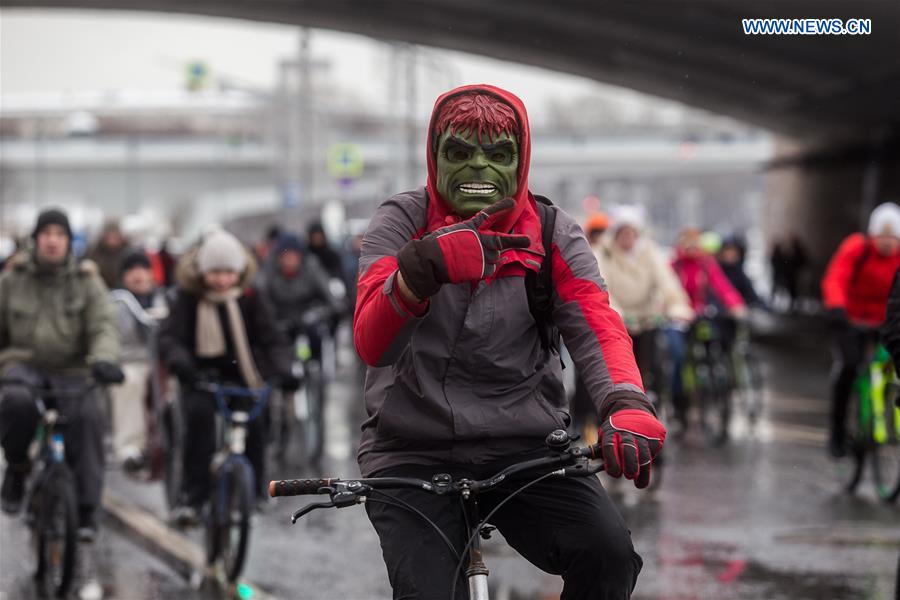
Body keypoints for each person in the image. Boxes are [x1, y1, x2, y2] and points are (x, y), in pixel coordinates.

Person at [354, 85, 664, 598]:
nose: (479, 168)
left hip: (527, 447)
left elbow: (597, 325)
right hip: (410, 449)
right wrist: (418, 276)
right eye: (459, 152)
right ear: (434, 158)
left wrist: (624, 401)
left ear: (521, 163)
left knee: (608, 557)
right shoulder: (402, 221)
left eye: (498, 155)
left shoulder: (552, 232)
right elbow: (373, 343)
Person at [0, 208, 124, 542]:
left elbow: (103, 326)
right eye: (47, 234)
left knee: (89, 419)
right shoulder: (13, 279)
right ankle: (17, 468)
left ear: (69, 241)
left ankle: (85, 510)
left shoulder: (87, 281)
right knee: (16, 402)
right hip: (24, 366)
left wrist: (104, 359)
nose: (53, 241)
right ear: (35, 239)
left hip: (74, 369)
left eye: (60, 235)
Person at [158, 229, 297, 524]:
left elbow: (271, 339)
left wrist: (284, 371)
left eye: (228, 273)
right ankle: (193, 498)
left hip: (244, 377)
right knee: (199, 424)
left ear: (239, 272)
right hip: (201, 377)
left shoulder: (251, 298)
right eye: (215, 273)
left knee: (256, 424)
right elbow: (171, 339)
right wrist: (184, 365)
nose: (222, 280)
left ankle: (256, 491)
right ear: (203, 272)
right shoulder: (188, 298)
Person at [821, 202, 900, 457]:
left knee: (891, 365)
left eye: (893, 237)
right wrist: (836, 307)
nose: (887, 242)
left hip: (885, 321)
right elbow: (836, 277)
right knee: (849, 366)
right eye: (882, 236)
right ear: (872, 234)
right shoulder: (857, 248)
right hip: (851, 319)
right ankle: (837, 432)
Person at [594, 204, 694, 398]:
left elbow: (666, 281)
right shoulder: (603, 254)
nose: (627, 237)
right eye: (623, 232)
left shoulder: (650, 252)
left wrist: (677, 305)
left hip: (647, 319)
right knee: (616, 373)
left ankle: (661, 399)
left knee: (655, 367)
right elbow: (601, 285)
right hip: (619, 323)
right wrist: (616, 312)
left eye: (631, 232)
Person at [109, 252, 169, 473]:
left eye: (142, 269)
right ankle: (130, 448)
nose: (138, 275)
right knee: (129, 383)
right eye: (131, 271)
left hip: (161, 362)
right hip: (131, 360)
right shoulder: (117, 302)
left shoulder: (164, 298)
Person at [258, 234, 340, 358]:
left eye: (293, 256)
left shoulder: (311, 268)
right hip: (283, 318)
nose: (288, 261)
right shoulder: (270, 273)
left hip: (309, 316)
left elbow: (330, 298)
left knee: (316, 336)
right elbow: (264, 300)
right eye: (285, 257)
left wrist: (322, 313)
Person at [717, 235, 764, 308]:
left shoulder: (739, 272)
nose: (730, 255)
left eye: (733, 251)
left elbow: (751, 294)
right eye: (727, 251)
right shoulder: (717, 271)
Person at [87, 219, 132, 289]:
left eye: (115, 234)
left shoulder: (129, 253)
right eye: (109, 234)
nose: (112, 238)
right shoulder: (93, 252)